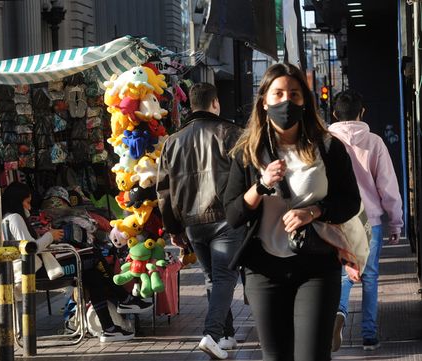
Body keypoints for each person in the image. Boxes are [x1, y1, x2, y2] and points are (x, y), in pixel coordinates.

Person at [223, 63, 361, 361]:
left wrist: (314, 211)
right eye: (279, 94)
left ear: (305, 101)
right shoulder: (247, 152)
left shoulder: (327, 147)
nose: (286, 102)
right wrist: (260, 185)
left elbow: (351, 202)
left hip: (316, 265)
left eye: (295, 94)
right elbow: (233, 215)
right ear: (264, 101)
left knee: (311, 355)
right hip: (264, 270)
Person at [156, 82, 243, 359]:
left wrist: (173, 228)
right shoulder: (231, 133)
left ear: (190, 105)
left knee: (212, 277)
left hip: (192, 222)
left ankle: (226, 335)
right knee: (225, 277)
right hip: (225, 217)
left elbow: (164, 190)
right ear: (215, 103)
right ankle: (213, 334)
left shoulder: (172, 141)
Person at [2, 182, 138, 342]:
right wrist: (50, 236)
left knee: (92, 273)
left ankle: (109, 327)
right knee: (93, 258)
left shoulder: (10, 218)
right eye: (27, 202)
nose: (30, 207)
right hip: (37, 273)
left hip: (37, 270)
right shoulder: (15, 218)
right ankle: (123, 300)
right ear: (17, 201)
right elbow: (31, 247)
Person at [329, 89, 403, 352]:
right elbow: (388, 186)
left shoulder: (326, 141)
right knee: (370, 278)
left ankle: (339, 313)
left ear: (335, 114)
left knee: (342, 277)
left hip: (336, 220)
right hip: (370, 220)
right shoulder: (375, 142)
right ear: (362, 113)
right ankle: (369, 336)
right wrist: (395, 222)